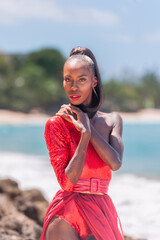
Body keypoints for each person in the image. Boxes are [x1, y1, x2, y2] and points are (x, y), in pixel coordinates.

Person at [40, 46, 124, 240]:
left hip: (102, 210)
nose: (73, 87)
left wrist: (89, 128)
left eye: (82, 80)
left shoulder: (112, 120)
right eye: (68, 79)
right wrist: (83, 137)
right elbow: (67, 183)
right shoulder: (56, 124)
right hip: (67, 213)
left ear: (94, 81)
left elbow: (115, 163)